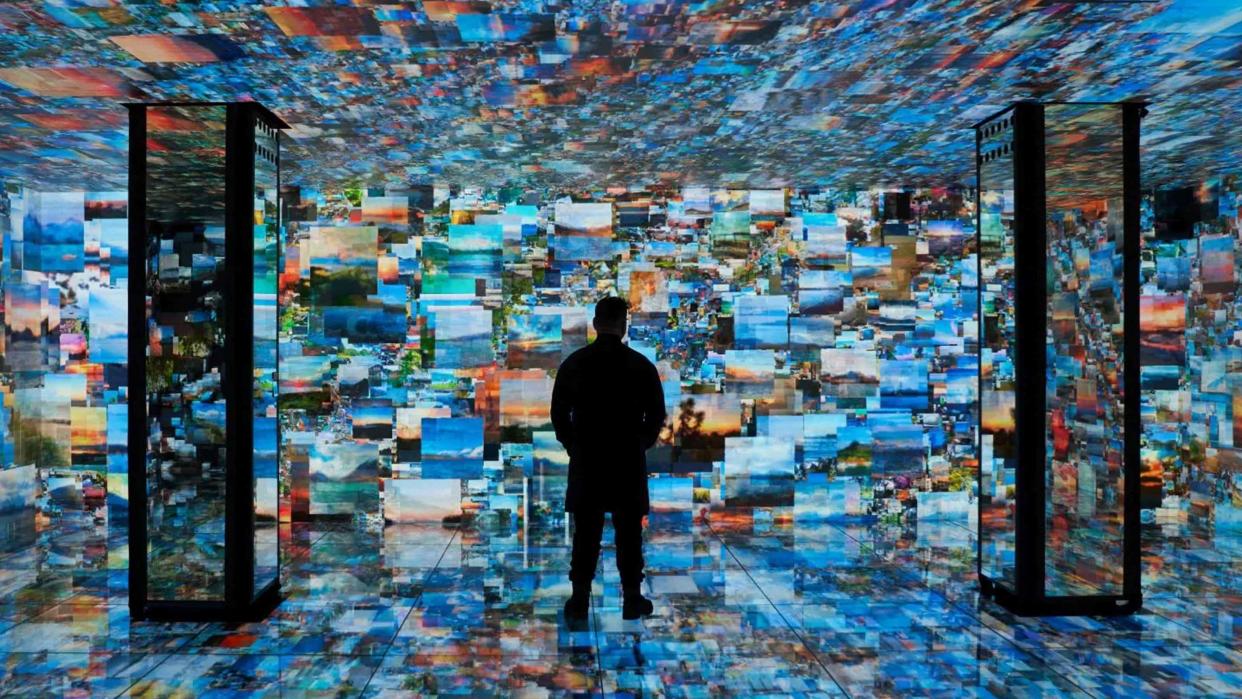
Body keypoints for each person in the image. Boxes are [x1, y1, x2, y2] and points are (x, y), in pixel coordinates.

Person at [551, 296, 666, 621]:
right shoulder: (641, 366)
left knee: (585, 535)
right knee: (629, 536)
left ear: (596, 323)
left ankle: (579, 601)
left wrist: (574, 445)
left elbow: (558, 413)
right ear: (623, 325)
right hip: (627, 463)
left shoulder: (575, 364)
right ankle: (632, 599)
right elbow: (656, 415)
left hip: (588, 462)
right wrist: (639, 444)